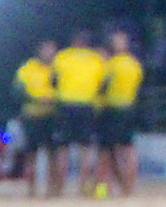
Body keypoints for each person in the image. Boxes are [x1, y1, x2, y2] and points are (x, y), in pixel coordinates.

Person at [52, 29, 107, 196]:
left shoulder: (62, 56)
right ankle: (83, 188)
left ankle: (59, 189)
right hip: (87, 106)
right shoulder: (96, 59)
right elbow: (103, 85)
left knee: (62, 149)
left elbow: (53, 81)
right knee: (86, 149)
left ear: (72, 42)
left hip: (66, 105)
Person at [96, 28, 145, 197]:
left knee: (105, 153)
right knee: (128, 149)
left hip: (111, 110)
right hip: (129, 107)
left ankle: (103, 191)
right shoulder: (134, 64)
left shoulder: (110, 65)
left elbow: (101, 87)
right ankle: (128, 190)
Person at [13, 40, 60, 198]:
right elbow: (18, 92)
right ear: (39, 51)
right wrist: (38, 100)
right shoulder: (27, 68)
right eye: (46, 50)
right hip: (32, 116)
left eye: (52, 50)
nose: (49, 53)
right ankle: (31, 190)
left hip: (52, 116)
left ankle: (52, 190)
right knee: (31, 154)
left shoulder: (59, 68)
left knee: (52, 155)